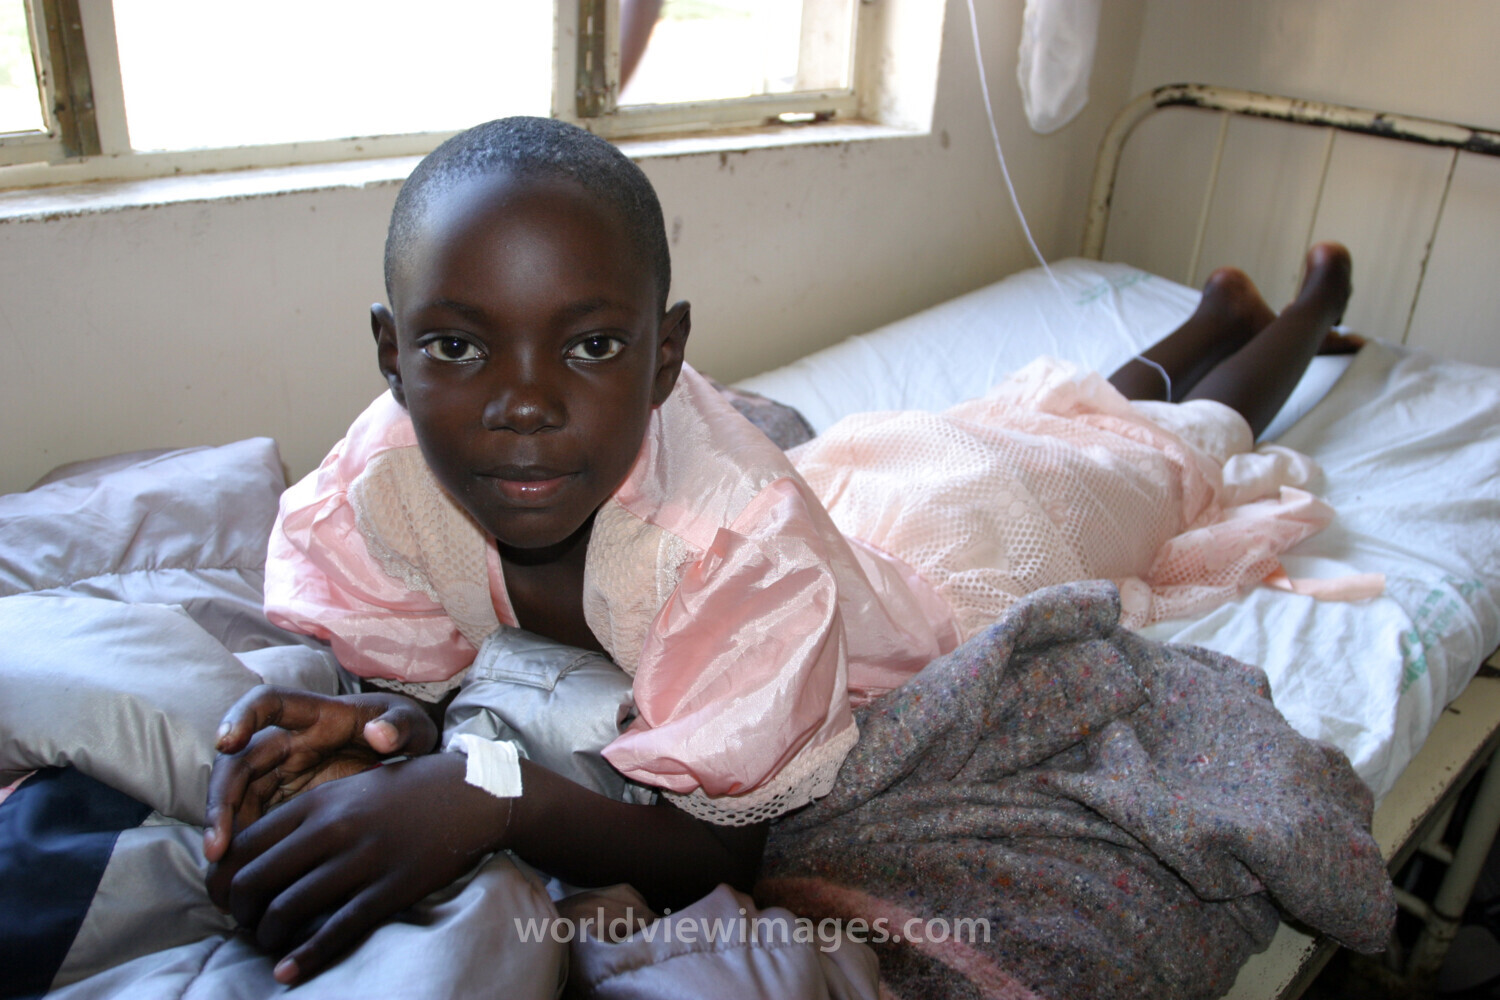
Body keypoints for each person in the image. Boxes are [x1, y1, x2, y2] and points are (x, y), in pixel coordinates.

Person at [203, 115, 1358, 986]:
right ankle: (1218, 311)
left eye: (591, 345)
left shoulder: (733, 544)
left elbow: (720, 855)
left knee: (1155, 459)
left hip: (960, 569)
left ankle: (1307, 312)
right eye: (459, 348)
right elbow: (398, 668)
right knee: (1037, 427)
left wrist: (486, 792)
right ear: (392, 356)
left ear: (666, 355)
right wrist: (377, 729)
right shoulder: (385, 474)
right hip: (846, 511)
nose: (523, 405)